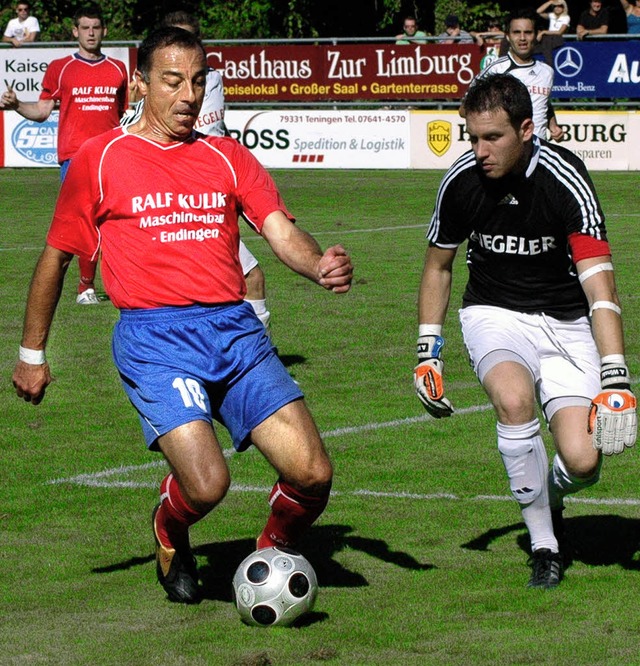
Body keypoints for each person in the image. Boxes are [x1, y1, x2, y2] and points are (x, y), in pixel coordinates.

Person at [12, 26, 353, 605]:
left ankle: (270, 550)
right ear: (140, 83)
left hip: (236, 331)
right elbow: (56, 259)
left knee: (313, 474)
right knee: (207, 484)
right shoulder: (101, 159)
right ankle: (169, 527)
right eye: (173, 81)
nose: (189, 95)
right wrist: (31, 355)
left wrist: (317, 263)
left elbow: (279, 231)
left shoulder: (227, 155)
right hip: (155, 338)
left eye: (198, 82)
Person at [415, 73, 636, 589]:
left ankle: (548, 492)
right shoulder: (462, 182)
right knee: (513, 402)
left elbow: (600, 284)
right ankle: (544, 545)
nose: (479, 150)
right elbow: (438, 267)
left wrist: (616, 376)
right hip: (494, 313)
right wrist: (428, 351)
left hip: (566, 322)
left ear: (527, 129)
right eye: (472, 137)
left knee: (583, 462)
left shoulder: (565, 180)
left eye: (493, 137)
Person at [120, 11, 271, 331]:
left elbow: (214, 126)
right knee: (248, 277)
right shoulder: (148, 99)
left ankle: (249, 357)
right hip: (184, 198)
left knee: (248, 277)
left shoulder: (212, 79)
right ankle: (252, 357)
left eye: (191, 39)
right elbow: (129, 133)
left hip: (219, 184)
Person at [0, 4, 128, 306]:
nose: (91, 32)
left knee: (112, 222)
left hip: (111, 156)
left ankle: (100, 286)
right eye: (85, 27)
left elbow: (124, 116)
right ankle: (83, 288)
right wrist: (17, 105)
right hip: (75, 157)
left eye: (96, 27)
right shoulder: (61, 67)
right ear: (75, 32)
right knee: (78, 224)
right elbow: (43, 112)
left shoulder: (117, 69)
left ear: (104, 31)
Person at [460, 10, 564, 142]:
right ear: (508, 37)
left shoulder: (547, 71)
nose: (522, 38)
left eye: (528, 32)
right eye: (516, 32)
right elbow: (464, 109)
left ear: (536, 35)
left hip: (540, 149)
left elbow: (544, 103)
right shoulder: (496, 69)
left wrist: (553, 126)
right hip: (507, 153)